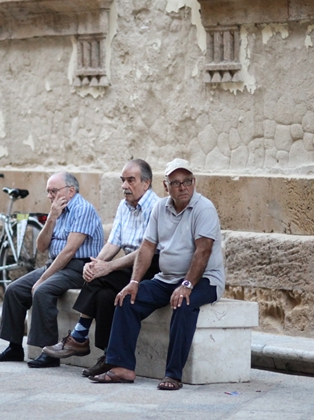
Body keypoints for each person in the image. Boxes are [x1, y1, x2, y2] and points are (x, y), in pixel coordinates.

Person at [90, 158, 225, 391]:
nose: (183, 187)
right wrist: (134, 282)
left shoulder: (204, 208)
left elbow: (203, 252)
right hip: (166, 278)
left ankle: (173, 374)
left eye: (187, 182)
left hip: (205, 279)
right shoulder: (159, 208)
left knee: (184, 304)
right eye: (176, 183)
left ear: (194, 183)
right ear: (166, 186)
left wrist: (186, 285)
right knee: (127, 299)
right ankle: (122, 367)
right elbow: (147, 247)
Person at [41, 159, 161, 378]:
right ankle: (109, 357)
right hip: (129, 265)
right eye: (123, 180)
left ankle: (79, 336)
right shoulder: (124, 206)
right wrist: (96, 263)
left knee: (98, 278)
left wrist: (108, 267)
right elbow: (114, 242)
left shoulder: (156, 207)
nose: (124, 185)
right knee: (105, 294)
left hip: (151, 266)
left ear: (146, 183)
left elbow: (147, 251)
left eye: (131, 180)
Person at [0, 171, 104, 368]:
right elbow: (42, 247)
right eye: (48, 192)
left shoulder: (83, 209)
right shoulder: (57, 211)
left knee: (42, 290)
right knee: (14, 290)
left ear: (71, 190)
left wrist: (42, 279)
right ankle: (15, 347)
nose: (50, 195)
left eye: (53, 191)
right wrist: (51, 217)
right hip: (55, 265)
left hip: (78, 268)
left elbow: (69, 252)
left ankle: (49, 353)